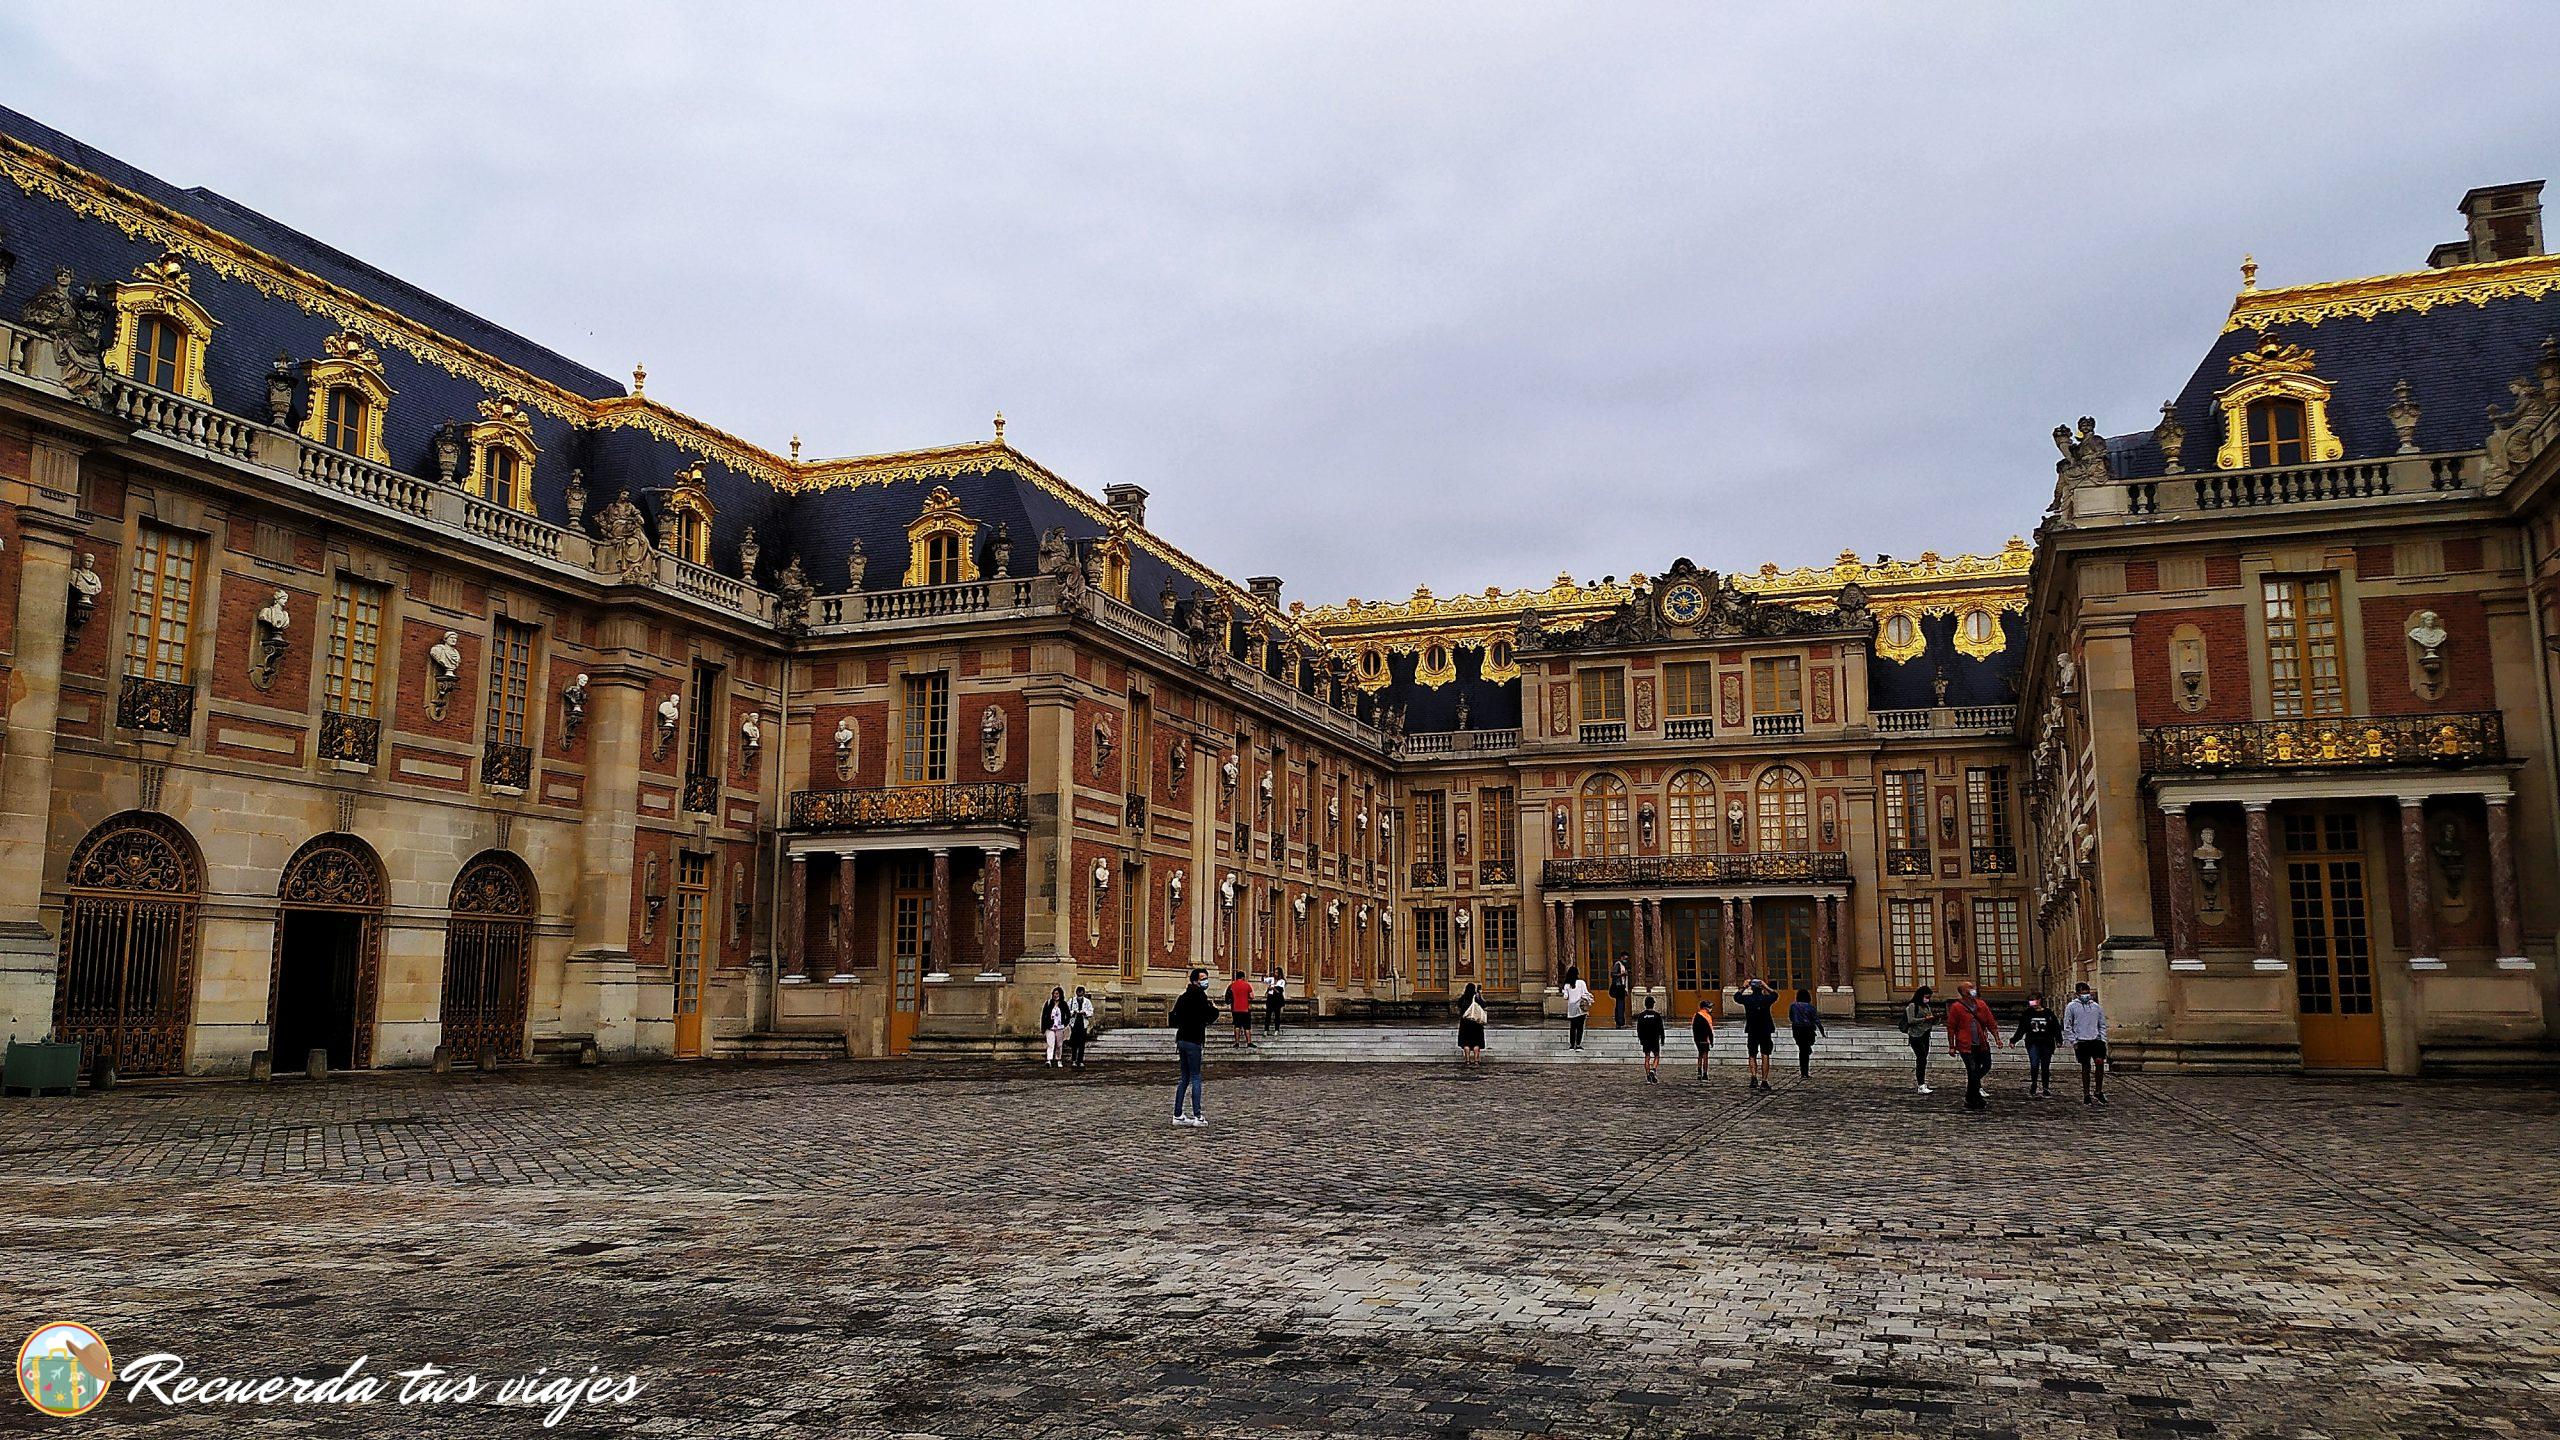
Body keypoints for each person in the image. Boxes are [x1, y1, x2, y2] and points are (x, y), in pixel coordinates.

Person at [1944, 981, 2002, 1112]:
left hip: (1981, 1043)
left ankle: (1970, 1094)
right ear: (1963, 992)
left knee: (1986, 1065)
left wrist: (1997, 1038)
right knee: (1972, 1069)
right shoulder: (1956, 1007)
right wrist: (1951, 1046)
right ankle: (1974, 1099)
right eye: (1970, 988)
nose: (1973, 989)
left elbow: (1991, 1022)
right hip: (1966, 1045)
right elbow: (1951, 1027)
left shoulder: (1981, 1004)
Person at [1169, 970, 1217, 1126]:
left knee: (1184, 1077)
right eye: (1203, 978)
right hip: (1194, 1040)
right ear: (1196, 981)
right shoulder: (1201, 998)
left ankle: (1177, 1114)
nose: (1206, 981)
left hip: (1182, 1039)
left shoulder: (1183, 997)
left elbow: (1173, 1017)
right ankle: (1198, 1115)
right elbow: (1210, 1017)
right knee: (1196, 1077)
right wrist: (1214, 1008)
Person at [2063, 982, 2110, 1104]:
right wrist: (2073, 1040)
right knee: (2086, 1067)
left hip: (2096, 1040)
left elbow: (2102, 1024)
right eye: (2083, 993)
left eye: (2087, 993)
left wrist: (2103, 1039)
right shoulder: (2071, 1007)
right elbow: (2067, 1025)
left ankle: (2098, 1091)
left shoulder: (2096, 1007)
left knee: (2099, 1063)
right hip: (2081, 1040)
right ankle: (2086, 1093)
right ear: (2077, 994)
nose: (2086, 995)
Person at [1734, 978, 1780, 1092]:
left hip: (1752, 1029)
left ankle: (1754, 1077)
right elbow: (1775, 995)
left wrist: (1743, 987)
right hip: (1765, 1030)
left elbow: (1737, 997)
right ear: (1761, 988)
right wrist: (1765, 986)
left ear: (1752, 988)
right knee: (1765, 1054)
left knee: (1752, 1054)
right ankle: (1764, 1080)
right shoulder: (1765, 999)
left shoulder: (1748, 999)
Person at [2012, 994, 2060, 1097]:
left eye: (2034, 1000)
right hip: (2033, 1042)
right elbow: (2022, 1028)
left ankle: (2045, 1087)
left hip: (2047, 1042)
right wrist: (2014, 1040)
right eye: (2030, 1001)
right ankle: (2034, 1083)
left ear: (2039, 1000)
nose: (2032, 1003)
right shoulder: (2027, 1013)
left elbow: (2055, 1027)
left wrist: (2058, 1039)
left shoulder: (2048, 1013)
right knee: (2034, 1063)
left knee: (2045, 1065)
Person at [1902, 985, 1937, 1095]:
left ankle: (1922, 1083)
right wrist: (1924, 1019)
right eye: (1926, 997)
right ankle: (1921, 1084)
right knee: (1921, 1058)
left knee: (1923, 1059)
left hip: (1925, 1034)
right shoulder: (1913, 1005)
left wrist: (1932, 1019)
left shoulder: (1926, 1006)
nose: (1928, 999)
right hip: (1916, 1035)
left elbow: (1929, 1017)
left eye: (1929, 997)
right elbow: (1911, 1020)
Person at [1787, 987, 1825, 1080]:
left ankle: (1803, 1072)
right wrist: (1822, 1031)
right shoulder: (1810, 1007)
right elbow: (1816, 1019)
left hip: (1797, 1029)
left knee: (1802, 1049)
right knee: (1805, 1050)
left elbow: (1791, 1017)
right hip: (1807, 1029)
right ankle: (1805, 1072)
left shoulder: (1793, 1006)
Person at [1634, 996, 1665, 1082]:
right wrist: (1662, 1038)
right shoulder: (1657, 1015)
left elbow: (1639, 1029)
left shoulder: (1641, 1016)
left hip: (1645, 1039)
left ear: (1645, 1004)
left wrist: (1641, 1039)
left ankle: (1648, 1075)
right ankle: (1653, 1070)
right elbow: (1661, 1028)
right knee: (1656, 1056)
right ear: (1653, 1004)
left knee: (1647, 1057)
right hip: (1654, 1039)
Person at [1039, 986, 1071, 1068]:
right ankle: (1049, 1060)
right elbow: (1044, 1015)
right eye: (1054, 994)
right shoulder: (1048, 1003)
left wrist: (1065, 1024)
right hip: (1050, 1027)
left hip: (1060, 1027)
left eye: (1057, 994)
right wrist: (1043, 1027)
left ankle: (1058, 1059)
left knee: (1059, 1045)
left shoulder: (1063, 1004)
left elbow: (1068, 1015)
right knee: (1050, 1044)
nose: (1055, 995)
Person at [1456, 981, 1487, 1063]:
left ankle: (1467, 1060)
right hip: (1476, 1023)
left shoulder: (1463, 998)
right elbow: (1484, 1005)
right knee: (1476, 1042)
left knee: (1466, 1043)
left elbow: (1459, 1006)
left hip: (1465, 1023)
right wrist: (1480, 995)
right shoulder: (1476, 997)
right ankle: (1476, 1060)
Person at [1563, 970, 1593, 1050]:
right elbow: (1585, 993)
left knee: (1573, 1027)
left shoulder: (1567, 985)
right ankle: (1578, 1044)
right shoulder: (1581, 982)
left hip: (1572, 1008)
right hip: (1580, 1006)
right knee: (1580, 1027)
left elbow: (1565, 997)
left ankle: (1572, 1045)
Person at [1067, 986, 1095, 1070]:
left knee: (1082, 1044)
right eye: (1079, 992)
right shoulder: (1071, 1001)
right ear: (1076, 992)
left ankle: (1080, 1060)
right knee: (1074, 1043)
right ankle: (1074, 1060)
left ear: (1083, 993)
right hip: (1074, 1024)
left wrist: (1084, 1013)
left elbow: (1091, 1012)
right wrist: (1073, 1012)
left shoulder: (1087, 1001)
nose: (1080, 994)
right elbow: (1067, 1011)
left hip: (1083, 1024)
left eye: (1081, 992)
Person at [1226, 971, 1256, 1048]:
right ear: (1243, 977)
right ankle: (1249, 1042)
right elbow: (1252, 996)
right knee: (1247, 1027)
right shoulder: (1247, 985)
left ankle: (1237, 1043)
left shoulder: (1232, 985)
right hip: (1245, 1009)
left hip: (1235, 1009)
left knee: (1237, 1026)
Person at [1691, 995, 1716, 1080]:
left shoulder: (1696, 1015)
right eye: (1709, 1007)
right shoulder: (1707, 1016)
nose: (1711, 1009)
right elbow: (1710, 1029)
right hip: (1705, 1038)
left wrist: (1695, 1038)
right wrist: (1711, 1040)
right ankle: (1705, 1073)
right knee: (1705, 1056)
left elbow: (1693, 1027)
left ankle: (1699, 1072)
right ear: (1705, 1008)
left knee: (1700, 1055)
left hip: (1697, 1038)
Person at [1609, 958, 1632, 1028]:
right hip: (1618, 987)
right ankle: (1619, 1022)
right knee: (1620, 1005)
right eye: (1625, 958)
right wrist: (1622, 974)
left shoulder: (1624, 965)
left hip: (1622, 987)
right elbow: (1613, 975)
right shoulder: (1617, 964)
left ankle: (1620, 1022)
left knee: (1621, 1005)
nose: (1626, 960)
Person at [1265, 969, 1287, 1035]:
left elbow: (1279, 991)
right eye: (1275, 972)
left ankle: (1276, 1029)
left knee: (1277, 1015)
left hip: (1277, 999)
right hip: (1270, 998)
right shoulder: (1271, 979)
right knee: (1268, 1014)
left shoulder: (1282, 981)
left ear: (1280, 974)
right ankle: (1266, 1030)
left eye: (1277, 973)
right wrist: (1263, 975)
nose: (1275, 974)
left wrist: (1273, 988)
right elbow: (1264, 980)